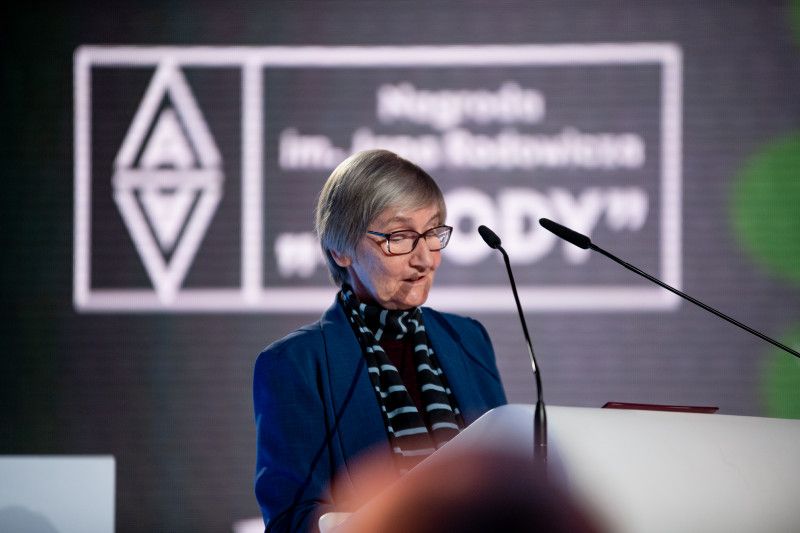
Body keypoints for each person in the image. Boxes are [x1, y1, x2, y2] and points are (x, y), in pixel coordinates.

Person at [253, 149, 507, 532]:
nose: (425, 259)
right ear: (341, 249)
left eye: (432, 233)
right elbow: (292, 521)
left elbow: (504, 476)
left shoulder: (468, 339)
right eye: (400, 237)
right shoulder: (296, 364)